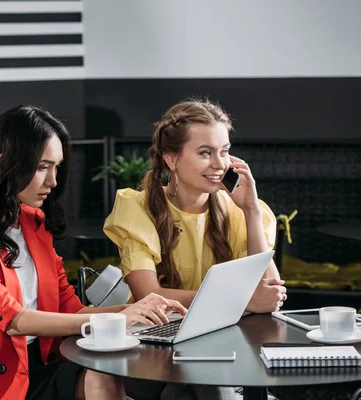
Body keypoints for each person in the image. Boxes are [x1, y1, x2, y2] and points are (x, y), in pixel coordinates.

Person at [0, 105, 187, 400]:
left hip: (45, 366)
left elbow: (72, 310)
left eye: (57, 167)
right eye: (42, 166)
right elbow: (13, 320)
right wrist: (118, 319)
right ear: (4, 163)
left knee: (113, 374)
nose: (52, 181)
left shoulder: (34, 223)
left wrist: (137, 311)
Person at [103, 99, 287, 400]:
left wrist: (252, 210)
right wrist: (242, 301)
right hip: (154, 348)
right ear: (172, 158)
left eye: (225, 151)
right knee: (197, 381)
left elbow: (268, 293)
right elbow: (149, 293)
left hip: (220, 344)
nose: (220, 164)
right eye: (205, 153)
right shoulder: (136, 208)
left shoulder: (240, 210)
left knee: (182, 393)